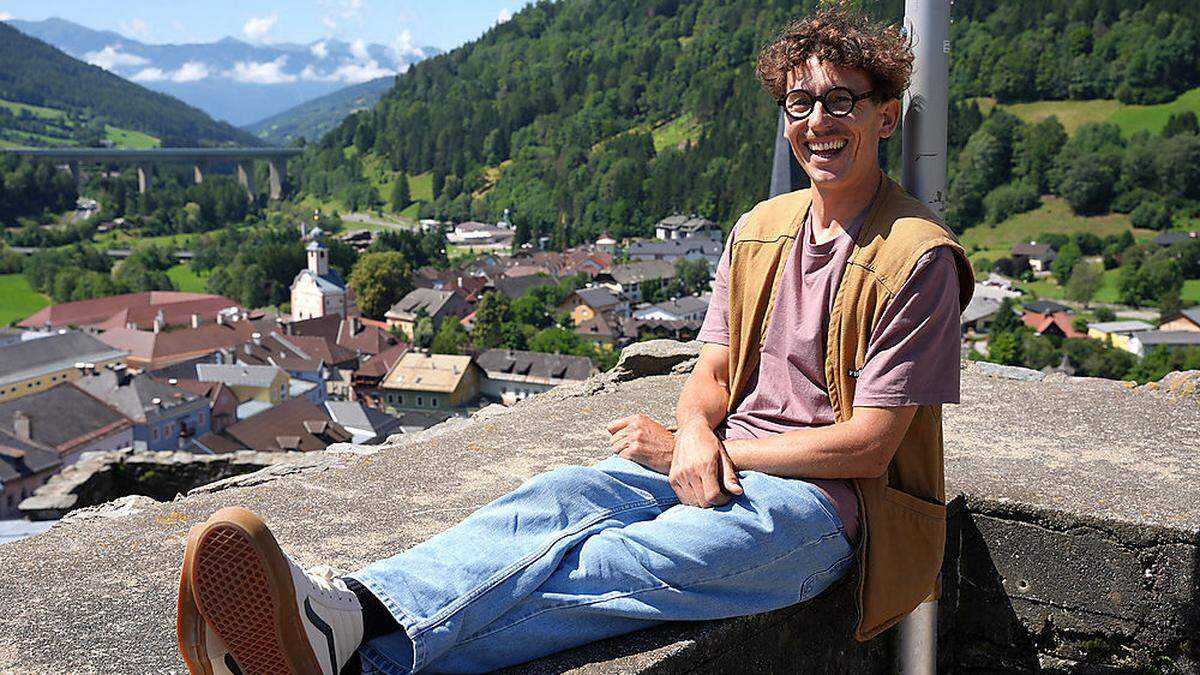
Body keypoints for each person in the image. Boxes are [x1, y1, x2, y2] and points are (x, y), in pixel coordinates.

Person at [175, 6, 974, 674]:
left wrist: (698, 454)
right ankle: (347, 608)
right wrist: (695, 431)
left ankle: (349, 655)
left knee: (609, 566)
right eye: (799, 105)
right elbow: (716, 367)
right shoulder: (762, 229)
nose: (817, 122)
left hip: (817, 514)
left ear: (884, 115)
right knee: (556, 499)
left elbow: (868, 446)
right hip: (719, 461)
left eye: (841, 101)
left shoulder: (915, 257)